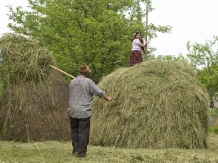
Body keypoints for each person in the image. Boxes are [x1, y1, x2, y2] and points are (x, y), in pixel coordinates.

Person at [67, 64, 113, 157]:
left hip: (72, 110)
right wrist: (107, 98)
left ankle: (75, 150)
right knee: (83, 132)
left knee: (74, 130)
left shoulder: (72, 82)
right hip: (83, 111)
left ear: (79, 72)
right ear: (87, 73)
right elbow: (98, 92)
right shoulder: (89, 82)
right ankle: (81, 153)